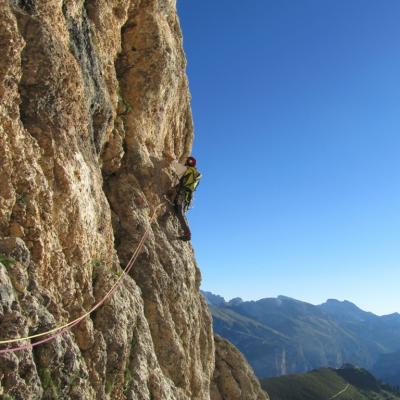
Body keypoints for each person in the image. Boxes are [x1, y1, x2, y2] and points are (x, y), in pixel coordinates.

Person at [172, 156, 202, 241]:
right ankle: (185, 232)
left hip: (182, 192)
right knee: (179, 210)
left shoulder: (185, 169)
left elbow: (173, 163)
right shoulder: (195, 173)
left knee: (179, 210)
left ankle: (187, 233)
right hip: (188, 195)